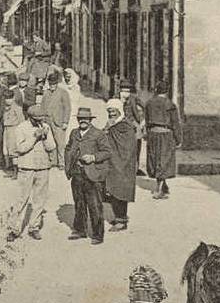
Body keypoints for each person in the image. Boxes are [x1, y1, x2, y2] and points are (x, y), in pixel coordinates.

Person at [8, 104, 57, 241]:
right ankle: (14, 229)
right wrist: (34, 137)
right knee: (21, 199)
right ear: (30, 118)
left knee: (39, 199)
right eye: (37, 119)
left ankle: (34, 227)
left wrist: (46, 136)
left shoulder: (45, 127)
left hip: (43, 167)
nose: (40, 121)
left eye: (41, 118)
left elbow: (52, 147)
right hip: (26, 168)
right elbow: (20, 148)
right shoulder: (21, 128)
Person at [65, 106, 111, 245]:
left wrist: (93, 157)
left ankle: (97, 235)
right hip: (77, 173)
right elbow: (68, 147)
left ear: (90, 120)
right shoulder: (74, 133)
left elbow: (107, 152)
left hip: (93, 174)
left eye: (85, 119)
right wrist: (69, 162)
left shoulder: (98, 134)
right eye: (80, 119)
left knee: (95, 205)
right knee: (79, 203)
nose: (82, 121)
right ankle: (80, 230)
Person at [144, 81, 182, 199]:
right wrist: (178, 138)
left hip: (153, 133)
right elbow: (175, 123)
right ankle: (159, 189)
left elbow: (146, 119)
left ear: (156, 90)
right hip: (166, 134)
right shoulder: (170, 104)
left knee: (155, 158)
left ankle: (163, 185)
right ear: (167, 91)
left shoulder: (149, 103)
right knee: (164, 159)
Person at [104, 99, 138, 231]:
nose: (111, 114)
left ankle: (122, 220)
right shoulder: (113, 124)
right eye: (109, 111)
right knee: (112, 191)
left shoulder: (125, 126)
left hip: (123, 164)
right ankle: (118, 216)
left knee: (120, 191)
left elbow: (127, 147)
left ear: (119, 111)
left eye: (113, 111)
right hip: (113, 162)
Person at [40, 70, 72, 169]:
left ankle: (61, 162)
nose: (52, 85)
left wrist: (65, 122)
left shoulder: (63, 92)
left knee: (60, 143)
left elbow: (67, 108)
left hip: (58, 121)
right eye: (50, 84)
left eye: (54, 84)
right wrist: (42, 121)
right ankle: (52, 161)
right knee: (50, 142)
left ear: (57, 83)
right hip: (48, 121)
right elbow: (42, 107)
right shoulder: (46, 93)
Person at [119, 81, 145, 175]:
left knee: (137, 146)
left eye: (127, 91)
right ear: (120, 90)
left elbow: (144, 107)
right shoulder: (115, 99)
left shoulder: (134, 98)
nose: (125, 93)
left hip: (134, 124)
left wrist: (142, 120)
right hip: (120, 125)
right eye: (123, 90)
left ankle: (135, 168)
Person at [2, 73, 25, 178]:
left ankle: (16, 172)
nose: (8, 100)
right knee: (6, 150)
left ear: (13, 98)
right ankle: (10, 170)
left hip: (14, 130)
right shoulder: (5, 108)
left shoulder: (17, 108)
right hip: (6, 130)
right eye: (6, 98)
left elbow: (21, 121)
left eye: (10, 98)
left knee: (14, 151)